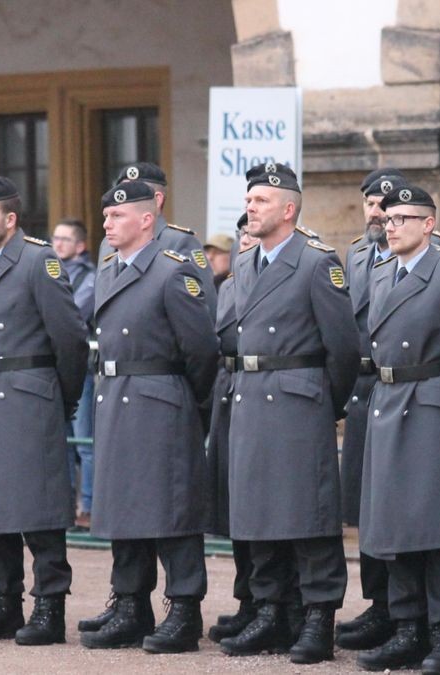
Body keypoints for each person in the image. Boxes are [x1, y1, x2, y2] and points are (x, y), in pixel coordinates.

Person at [220, 163, 360, 665]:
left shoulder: (317, 262)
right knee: (257, 511)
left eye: (259, 200)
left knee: (308, 513)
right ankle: (271, 611)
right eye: (248, 199)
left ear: (288, 209)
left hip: (299, 397)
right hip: (252, 393)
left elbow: (343, 348)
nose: (250, 208)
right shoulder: (246, 263)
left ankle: (318, 616)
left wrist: (324, 399)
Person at [354, 184, 440, 674]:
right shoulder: (381, 271)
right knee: (395, 523)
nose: (391, 227)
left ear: (429, 225)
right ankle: (408, 626)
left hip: (435, 403)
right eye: (387, 220)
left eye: (403, 219)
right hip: (390, 400)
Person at [0, 177, 88, 646]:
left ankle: (49, 606)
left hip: (30, 394)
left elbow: (69, 338)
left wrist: (60, 398)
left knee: (39, 507)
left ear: (10, 219)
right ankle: (1, 602)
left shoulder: (38, 259)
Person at [80, 180, 218, 654]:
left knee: (172, 508)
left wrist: (190, 403)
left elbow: (201, 351)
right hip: (116, 396)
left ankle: (183, 608)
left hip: (162, 399)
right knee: (124, 506)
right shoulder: (108, 270)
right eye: (105, 218)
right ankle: (130, 603)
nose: (107, 225)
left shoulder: (172, 272)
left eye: (117, 217)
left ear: (146, 220)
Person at [335, 168, 403, 654]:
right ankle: (379, 603)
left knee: (399, 507)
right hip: (361, 389)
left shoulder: (426, 255)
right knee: (366, 507)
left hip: (399, 390)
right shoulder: (356, 254)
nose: (376, 212)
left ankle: (405, 608)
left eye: (385, 203)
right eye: (370, 203)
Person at [205, 215, 260, 644]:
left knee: (265, 508)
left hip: (265, 395)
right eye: (240, 237)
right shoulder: (227, 286)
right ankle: (249, 599)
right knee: (236, 507)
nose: (245, 243)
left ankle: (274, 602)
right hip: (230, 393)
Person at [97, 161, 216, 315]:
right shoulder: (107, 243)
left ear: (157, 199)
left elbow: (204, 306)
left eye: (135, 192)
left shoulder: (179, 241)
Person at [52, 217, 97, 527]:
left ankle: (90, 507)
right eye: (55, 238)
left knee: (84, 442)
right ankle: (65, 505)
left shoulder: (91, 279)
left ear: (81, 245)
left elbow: (73, 316)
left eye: (65, 239)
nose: (58, 244)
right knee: (61, 441)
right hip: (55, 367)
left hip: (81, 369)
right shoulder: (50, 273)